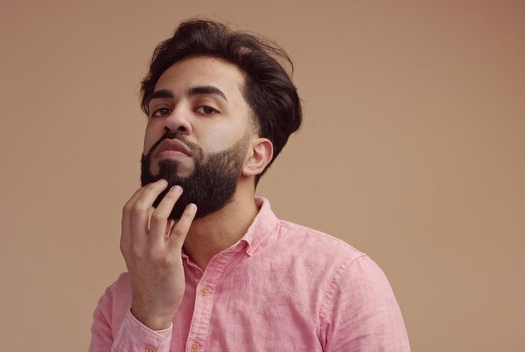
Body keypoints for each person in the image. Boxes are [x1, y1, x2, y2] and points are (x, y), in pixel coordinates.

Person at [89, 19, 410, 352]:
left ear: (256, 156)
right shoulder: (122, 302)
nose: (173, 120)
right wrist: (149, 315)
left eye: (206, 108)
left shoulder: (341, 282)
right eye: (161, 109)